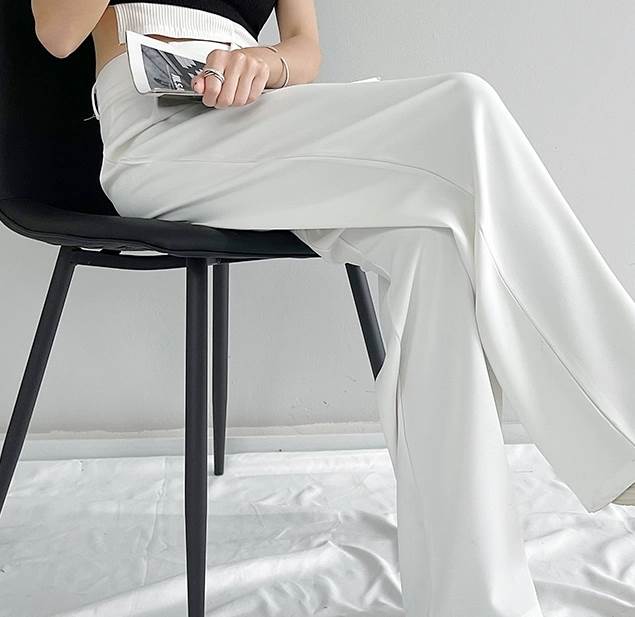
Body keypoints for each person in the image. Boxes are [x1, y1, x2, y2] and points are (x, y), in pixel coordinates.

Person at [31, 1, 635, 615]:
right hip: (158, 134)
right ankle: (626, 431)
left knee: (435, 249)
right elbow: (56, 33)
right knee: (465, 104)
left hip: (261, 117)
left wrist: (263, 62)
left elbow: (304, 46)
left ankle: (471, 602)